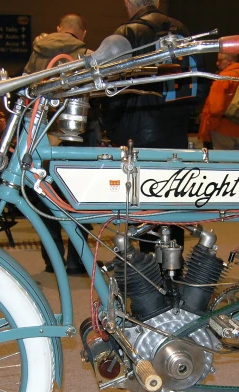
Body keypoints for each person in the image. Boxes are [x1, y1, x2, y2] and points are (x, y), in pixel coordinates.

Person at [102, 0, 198, 251]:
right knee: (171, 205)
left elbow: (111, 89)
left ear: (127, 3)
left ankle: (150, 278)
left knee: (144, 209)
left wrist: (111, 128)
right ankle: (173, 274)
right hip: (176, 134)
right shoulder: (183, 30)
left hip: (138, 136)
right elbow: (199, 83)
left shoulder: (128, 34)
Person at [24, 14, 91, 275]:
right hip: (76, 135)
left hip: (42, 135)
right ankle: (77, 260)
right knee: (78, 199)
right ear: (82, 33)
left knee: (42, 197)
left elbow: (26, 89)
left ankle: (53, 261)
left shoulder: (37, 50)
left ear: (58, 28)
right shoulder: (86, 52)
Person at [198, 53, 239, 150]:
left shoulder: (223, 78)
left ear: (228, 61)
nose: (217, 63)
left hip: (222, 129)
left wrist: (210, 126)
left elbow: (215, 108)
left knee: (224, 162)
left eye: (220, 60)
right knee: (235, 161)